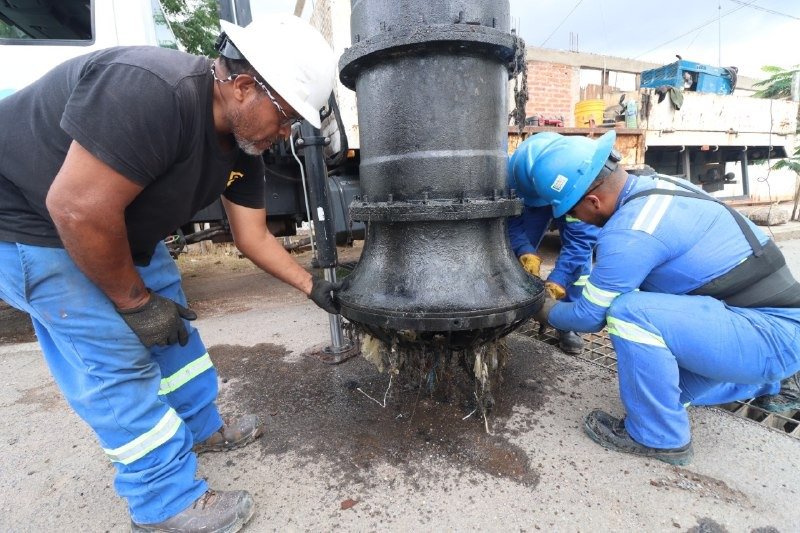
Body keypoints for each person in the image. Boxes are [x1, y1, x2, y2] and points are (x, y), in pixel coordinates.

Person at [0, 15, 342, 533]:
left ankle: (200, 426)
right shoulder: (150, 89)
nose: (286, 134)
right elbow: (75, 209)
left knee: (174, 327)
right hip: (31, 222)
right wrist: (133, 304)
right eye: (288, 117)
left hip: (113, 223)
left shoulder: (242, 144)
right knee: (115, 357)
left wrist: (314, 288)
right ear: (245, 87)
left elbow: (251, 236)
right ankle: (164, 502)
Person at [524, 130, 800, 466]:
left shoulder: (631, 231)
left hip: (766, 334)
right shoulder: (661, 187)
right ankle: (765, 379)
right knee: (665, 390)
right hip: (763, 325)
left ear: (592, 202)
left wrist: (543, 308)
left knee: (629, 313)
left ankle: (659, 438)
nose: (571, 219)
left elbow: (587, 317)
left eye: (570, 211)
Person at [508, 133, 600, 354]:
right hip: (532, 198)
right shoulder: (513, 176)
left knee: (579, 265)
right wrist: (523, 249)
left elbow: (579, 242)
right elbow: (511, 223)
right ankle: (523, 302)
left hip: (566, 194)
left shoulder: (578, 183)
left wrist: (560, 279)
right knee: (515, 254)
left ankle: (567, 321)